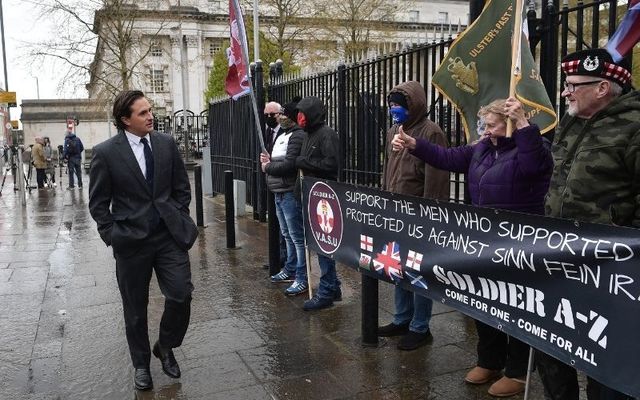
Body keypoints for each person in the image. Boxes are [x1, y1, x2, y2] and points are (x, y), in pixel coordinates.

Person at [392, 97, 552, 397]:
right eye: (484, 125)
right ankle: (490, 360)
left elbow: (534, 168)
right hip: (485, 243)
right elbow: (448, 158)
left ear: (509, 124)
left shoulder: (533, 147)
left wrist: (523, 126)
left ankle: (517, 372)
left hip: (520, 244)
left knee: (515, 305)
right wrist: (414, 144)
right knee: (485, 302)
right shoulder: (482, 149)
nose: (485, 131)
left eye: (491, 125)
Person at [539, 48, 638, 400]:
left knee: (605, 362)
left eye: (573, 85)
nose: (566, 91)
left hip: (609, 272)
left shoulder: (634, 126)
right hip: (560, 259)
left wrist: (625, 250)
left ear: (602, 88)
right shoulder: (571, 120)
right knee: (553, 348)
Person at [88, 90, 198, 391]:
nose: (151, 116)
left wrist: (178, 215)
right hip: (131, 242)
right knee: (135, 309)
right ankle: (141, 365)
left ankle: (165, 344)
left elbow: (181, 189)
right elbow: (98, 203)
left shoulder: (165, 144)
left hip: (168, 237)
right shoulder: (106, 153)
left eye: (150, 110)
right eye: (143, 113)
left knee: (181, 294)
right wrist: (112, 235)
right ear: (125, 119)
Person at [377, 81, 450, 351]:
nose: (395, 109)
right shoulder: (394, 130)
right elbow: (388, 169)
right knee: (398, 268)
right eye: (392, 105)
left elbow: (437, 177)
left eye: (399, 104)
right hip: (395, 212)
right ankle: (402, 318)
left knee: (418, 271)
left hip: (418, 215)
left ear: (413, 105)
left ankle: (420, 326)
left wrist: (430, 215)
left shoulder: (431, 133)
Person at [295, 96, 342, 310]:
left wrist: (305, 162)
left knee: (324, 247)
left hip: (324, 199)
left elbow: (331, 164)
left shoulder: (327, 135)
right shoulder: (307, 135)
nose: (300, 118)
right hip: (311, 198)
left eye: (303, 113)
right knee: (320, 245)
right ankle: (334, 287)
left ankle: (326, 291)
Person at [261, 98, 309, 295]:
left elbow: (289, 164)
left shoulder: (296, 135)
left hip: (288, 191)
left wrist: (268, 166)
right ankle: (290, 268)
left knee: (297, 237)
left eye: (282, 114)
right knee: (287, 235)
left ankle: (301, 276)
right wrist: (269, 162)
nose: (279, 118)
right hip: (278, 191)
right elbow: (279, 159)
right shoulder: (284, 134)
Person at [262, 101, 288, 271]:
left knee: (285, 227)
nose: (270, 118)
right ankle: (276, 256)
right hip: (270, 181)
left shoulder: (286, 133)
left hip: (283, 183)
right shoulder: (267, 131)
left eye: (273, 115)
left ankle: (284, 259)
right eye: (266, 115)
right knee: (275, 222)